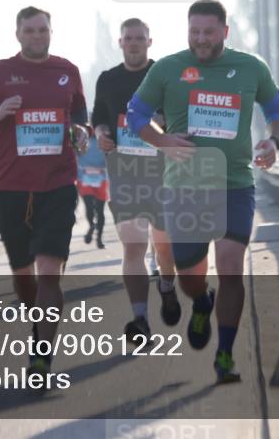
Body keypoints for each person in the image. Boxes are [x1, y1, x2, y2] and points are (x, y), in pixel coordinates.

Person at [126, 0, 279, 384]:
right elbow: (135, 115)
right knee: (189, 276)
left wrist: (273, 142)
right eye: (194, 32)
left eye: (208, 32)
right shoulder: (167, 69)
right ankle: (200, 302)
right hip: (185, 188)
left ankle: (226, 354)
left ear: (225, 32)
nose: (200, 39)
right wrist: (163, 142)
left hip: (235, 183)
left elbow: (276, 108)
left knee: (231, 267)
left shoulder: (251, 67)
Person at [0, 6, 89, 388]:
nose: (37, 36)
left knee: (50, 271)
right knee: (24, 279)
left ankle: (41, 357)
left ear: (52, 31)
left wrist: (80, 131)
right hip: (11, 188)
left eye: (43, 30)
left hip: (58, 184)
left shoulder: (67, 71)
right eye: (30, 30)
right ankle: (39, 321)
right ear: (17, 34)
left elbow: (79, 112)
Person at [91, 18, 180, 343]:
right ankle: (140, 318)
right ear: (120, 42)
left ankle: (167, 286)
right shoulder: (108, 80)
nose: (134, 43)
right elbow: (99, 117)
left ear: (149, 42)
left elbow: (183, 116)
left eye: (139, 38)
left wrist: (164, 123)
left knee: (165, 248)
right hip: (125, 173)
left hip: (162, 175)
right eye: (128, 38)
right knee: (133, 246)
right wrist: (101, 134)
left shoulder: (165, 76)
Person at [76, 136, 108, 249]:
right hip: (84, 176)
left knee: (100, 210)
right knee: (89, 207)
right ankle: (91, 226)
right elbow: (75, 153)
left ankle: (99, 238)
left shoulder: (104, 132)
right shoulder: (80, 133)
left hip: (102, 176)